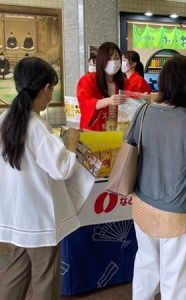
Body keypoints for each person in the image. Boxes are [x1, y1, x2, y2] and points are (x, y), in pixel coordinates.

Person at [128, 54, 186, 300]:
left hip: (142, 201)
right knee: (177, 275)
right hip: (175, 209)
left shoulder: (143, 111)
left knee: (146, 264)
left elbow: (130, 146)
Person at [0, 57, 81, 300]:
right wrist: (72, 143)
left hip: (16, 215)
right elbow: (63, 168)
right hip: (38, 218)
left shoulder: (5, 120)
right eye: (52, 87)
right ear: (46, 89)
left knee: (17, 272)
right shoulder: (37, 127)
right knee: (45, 277)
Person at [77, 42, 139, 131]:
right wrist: (109, 100)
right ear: (101, 60)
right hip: (95, 132)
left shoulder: (128, 83)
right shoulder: (88, 80)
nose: (113, 62)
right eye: (109, 58)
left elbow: (136, 103)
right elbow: (85, 103)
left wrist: (142, 98)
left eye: (116, 58)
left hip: (119, 131)